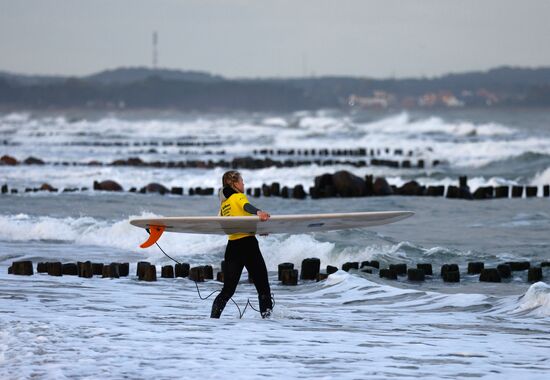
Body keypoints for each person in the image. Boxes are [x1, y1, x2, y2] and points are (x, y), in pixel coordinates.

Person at [210, 170, 273, 319]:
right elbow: (246, 206)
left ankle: (212, 320)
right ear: (234, 184)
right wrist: (258, 212)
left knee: (228, 290)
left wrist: (257, 230)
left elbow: (234, 225)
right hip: (248, 246)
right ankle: (269, 322)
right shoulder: (238, 196)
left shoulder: (223, 205)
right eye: (242, 181)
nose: (243, 184)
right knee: (263, 288)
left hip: (232, 248)